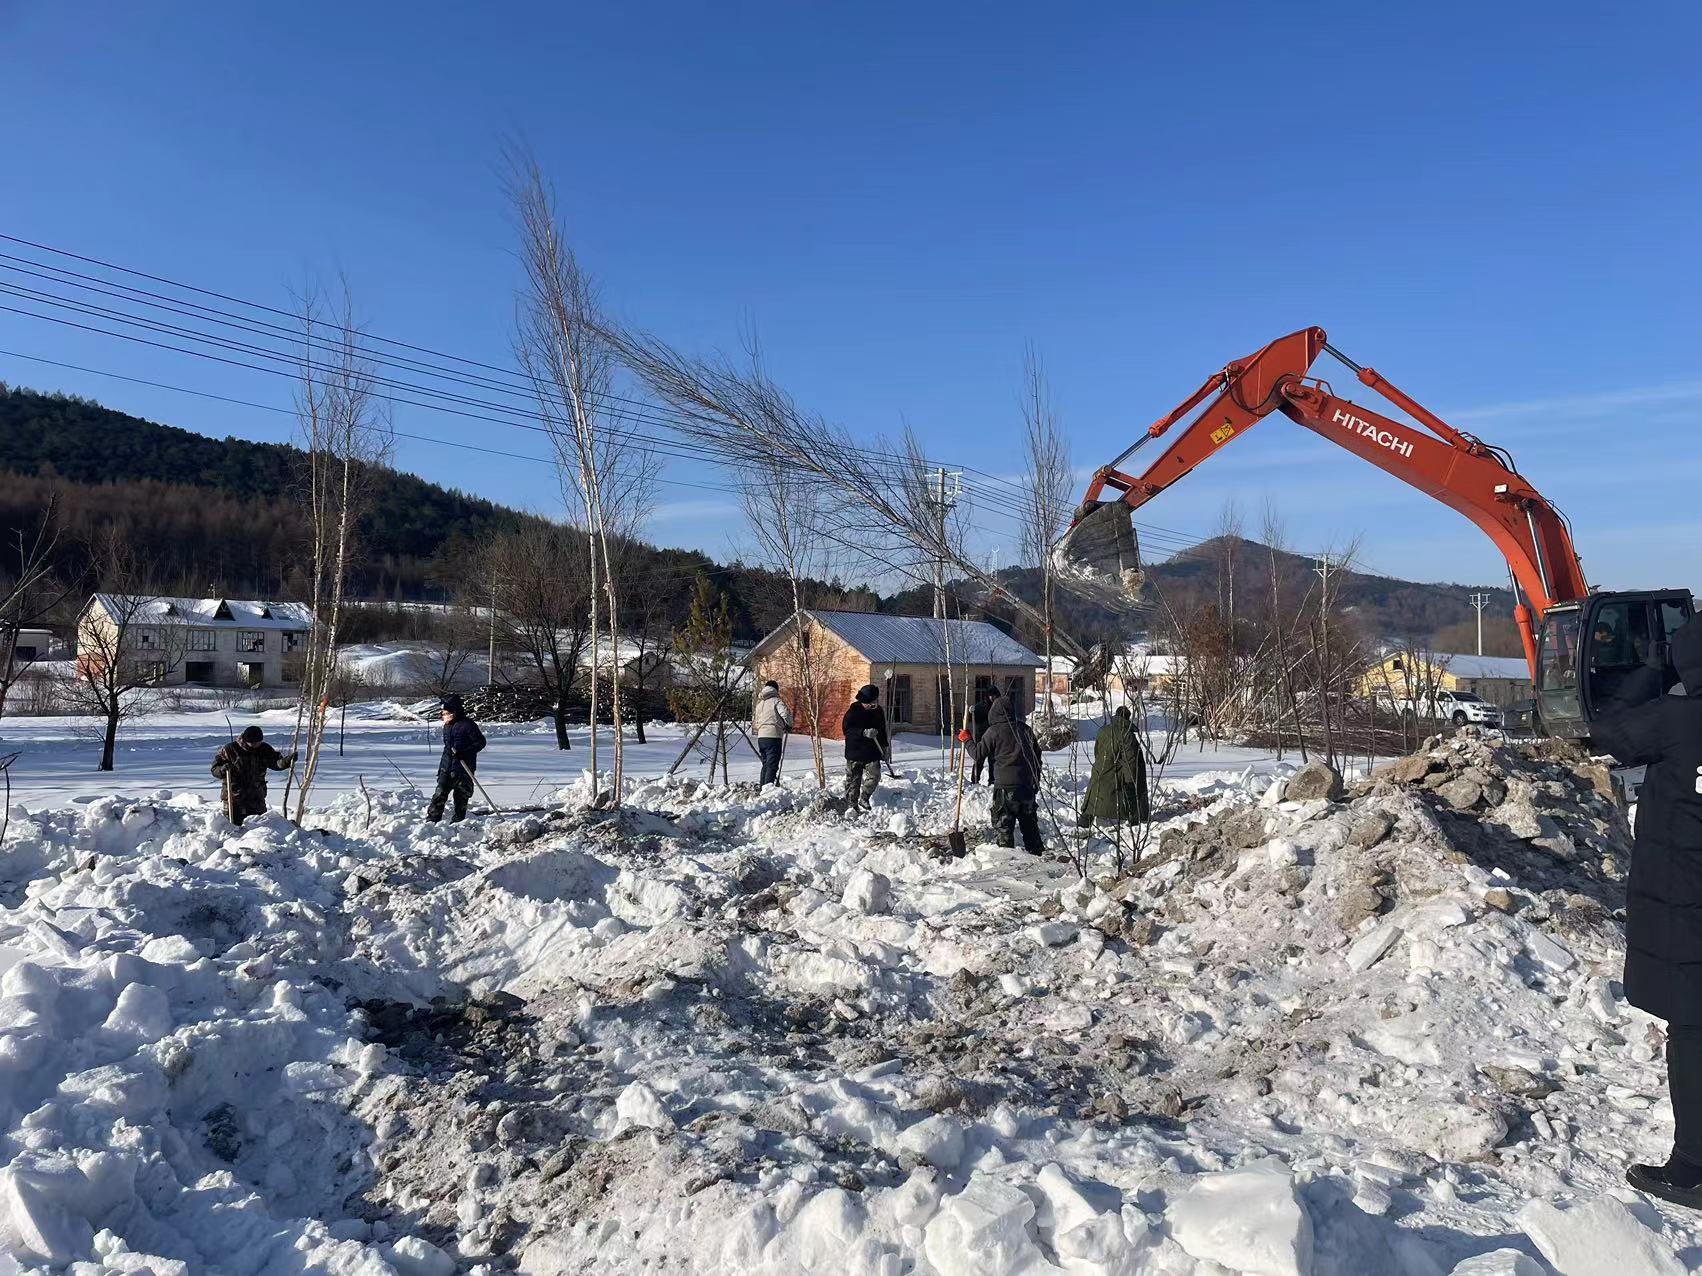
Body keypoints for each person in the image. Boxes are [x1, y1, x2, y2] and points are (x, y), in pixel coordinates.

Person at [1593, 617, 1702, 1209]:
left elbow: (1605, 728)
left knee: (1693, 1032)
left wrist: (1653, 672)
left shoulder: (1679, 720)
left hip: (1687, 906)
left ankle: (1693, 1168)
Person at [961, 696, 1045, 855]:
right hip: (1026, 786)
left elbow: (978, 754)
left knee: (1004, 828)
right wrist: (1035, 782)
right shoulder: (1025, 730)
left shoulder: (993, 732)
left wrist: (967, 740)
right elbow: (1037, 758)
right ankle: (1037, 856)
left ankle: (1006, 860)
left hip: (1005, 789)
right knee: (1030, 826)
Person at [1079, 705, 1151, 835]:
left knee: (1095, 794)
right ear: (1127, 718)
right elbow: (1130, 761)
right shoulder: (1126, 734)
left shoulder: (1103, 731)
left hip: (1099, 768)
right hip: (1117, 771)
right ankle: (1134, 820)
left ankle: (1084, 822)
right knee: (1126, 797)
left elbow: (1097, 751)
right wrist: (1131, 781)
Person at [211, 726, 295, 824]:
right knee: (235, 827)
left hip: (256, 797)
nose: (256, 745)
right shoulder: (230, 749)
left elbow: (276, 763)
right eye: (254, 743)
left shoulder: (264, 749)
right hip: (235, 797)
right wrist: (222, 769)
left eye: (259, 742)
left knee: (259, 827)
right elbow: (214, 769)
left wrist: (287, 761)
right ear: (246, 740)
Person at [428, 694, 487, 823]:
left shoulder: (468, 725)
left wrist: (464, 753)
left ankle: (458, 823)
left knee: (461, 797)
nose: (444, 715)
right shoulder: (447, 726)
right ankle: (432, 821)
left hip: (463, 768)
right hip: (446, 766)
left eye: (447, 713)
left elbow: (480, 742)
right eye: (443, 713)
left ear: (455, 711)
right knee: (440, 793)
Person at [841, 683, 888, 812]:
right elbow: (847, 731)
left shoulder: (878, 711)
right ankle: (852, 807)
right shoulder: (853, 712)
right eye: (872, 702)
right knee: (853, 782)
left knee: (875, 776)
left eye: (875, 701)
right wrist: (863, 732)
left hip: (872, 751)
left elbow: (882, 730)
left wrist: (885, 747)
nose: (874, 704)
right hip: (855, 752)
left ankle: (865, 797)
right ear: (864, 701)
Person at [752, 679, 793, 788]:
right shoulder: (776, 701)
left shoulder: (759, 704)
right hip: (773, 736)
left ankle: (762, 787)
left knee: (765, 764)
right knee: (772, 764)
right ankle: (767, 790)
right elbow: (785, 714)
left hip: (761, 737)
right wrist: (789, 724)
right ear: (776, 689)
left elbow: (756, 721)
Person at [970, 684, 1000, 786]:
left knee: (993, 760)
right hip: (982, 737)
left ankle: (992, 781)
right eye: (990, 695)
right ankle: (974, 780)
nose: (992, 698)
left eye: (994, 695)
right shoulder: (981, 706)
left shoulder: (999, 707)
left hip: (995, 737)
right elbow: (973, 718)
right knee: (979, 759)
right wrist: (972, 712)